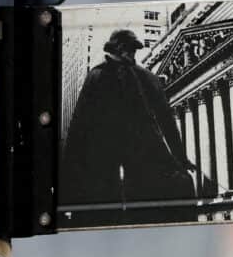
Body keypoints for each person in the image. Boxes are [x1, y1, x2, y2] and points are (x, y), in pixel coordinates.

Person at [61, 29, 197, 226]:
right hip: (107, 159)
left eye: (134, 50)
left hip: (141, 155)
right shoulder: (97, 76)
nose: (131, 55)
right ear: (117, 48)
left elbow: (167, 121)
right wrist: (70, 175)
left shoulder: (146, 78)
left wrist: (181, 158)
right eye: (128, 49)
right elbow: (80, 127)